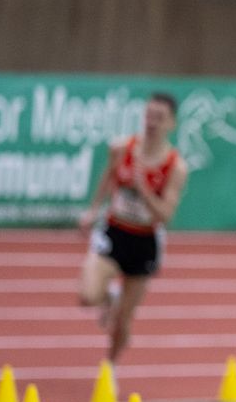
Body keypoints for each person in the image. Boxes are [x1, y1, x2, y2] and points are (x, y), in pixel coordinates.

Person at [76, 92, 190, 362]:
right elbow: (107, 177)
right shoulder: (122, 149)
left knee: (123, 324)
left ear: (171, 124)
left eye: (159, 118)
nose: (151, 123)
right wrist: (93, 210)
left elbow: (166, 215)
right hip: (115, 231)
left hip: (145, 241)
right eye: (149, 116)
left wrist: (145, 190)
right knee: (87, 296)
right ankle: (109, 299)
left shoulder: (175, 167)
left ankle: (110, 370)